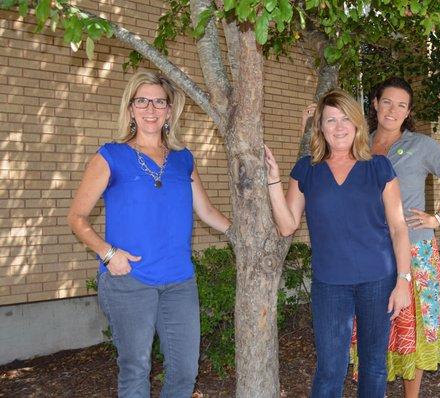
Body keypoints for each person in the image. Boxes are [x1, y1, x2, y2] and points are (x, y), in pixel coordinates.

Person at [301, 77, 440, 398]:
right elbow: (317, 170)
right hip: (367, 257)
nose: (392, 110)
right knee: (372, 337)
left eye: (401, 105)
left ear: (408, 111)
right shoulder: (358, 141)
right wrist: (312, 126)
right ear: (374, 104)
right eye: (386, 102)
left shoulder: (420, 145)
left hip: (413, 251)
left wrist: (438, 217)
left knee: (413, 334)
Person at [67, 70, 231, 397]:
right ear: (130, 108)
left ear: (170, 111)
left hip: (179, 280)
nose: (151, 109)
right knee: (135, 368)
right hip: (129, 279)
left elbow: (207, 212)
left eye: (159, 101)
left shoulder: (183, 159)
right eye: (142, 100)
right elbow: (77, 216)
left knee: (185, 369)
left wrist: (243, 236)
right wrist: (109, 254)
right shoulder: (111, 156)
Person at [264, 89, 412, 397]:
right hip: (330, 284)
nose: (339, 127)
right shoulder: (307, 169)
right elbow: (287, 225)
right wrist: (273, 181)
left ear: (357, 124)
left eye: (345, 119)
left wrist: (403, 281)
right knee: (330, 367)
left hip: (378, 280)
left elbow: (398, 227)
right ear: (320, 127)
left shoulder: (378, 167)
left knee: (374, 365)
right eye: (331, 120)